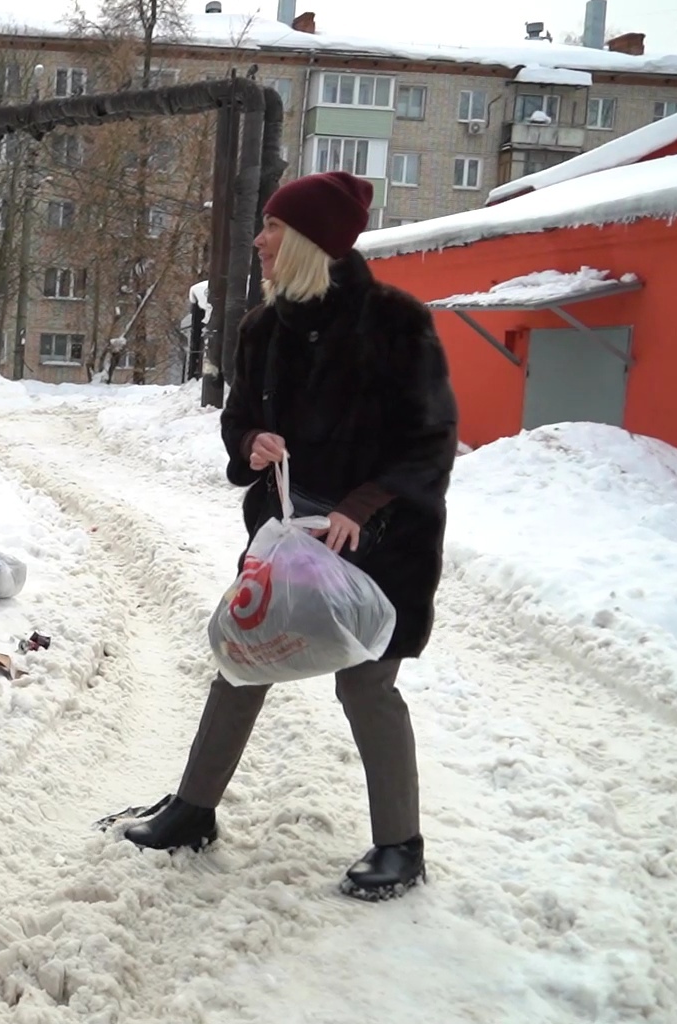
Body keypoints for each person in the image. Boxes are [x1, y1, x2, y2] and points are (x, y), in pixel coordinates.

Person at [114, 171, 459, 902]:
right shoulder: (261, 327)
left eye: (273, 228)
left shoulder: (396, 323)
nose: (260, 241)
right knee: (242, 661)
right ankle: (193, 811)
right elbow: (236, 420)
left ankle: (401, 846)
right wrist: (253, 443)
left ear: (308, 242)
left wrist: (362, 506)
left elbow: (431, 443)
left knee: (367, 686)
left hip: (379, 543)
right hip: (286, 534)